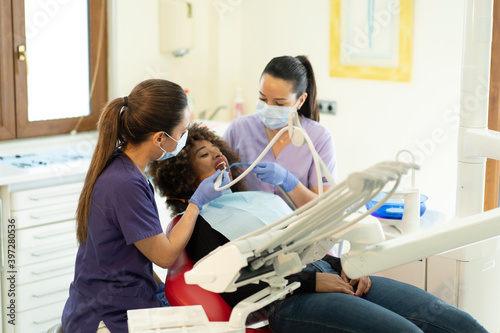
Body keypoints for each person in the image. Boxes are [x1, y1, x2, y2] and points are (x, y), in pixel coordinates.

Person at [150, 123, 488, 333]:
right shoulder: (196, 224)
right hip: (287, 301)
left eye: (216, 150)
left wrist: (348, 267)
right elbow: (236, 285)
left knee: (455, 323)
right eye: (204, 155)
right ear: (182, 174)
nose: (217, 157)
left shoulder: (256, 199)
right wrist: (313, 281)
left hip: (330, 273)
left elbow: (308, 243)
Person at [61, 79, 228, 333]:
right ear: (160, 137)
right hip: (107, 318)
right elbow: (164, 255)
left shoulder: (125, 169)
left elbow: (140, 255)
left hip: (116, 302)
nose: (184, 139)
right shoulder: (125, 183)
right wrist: (197, 203)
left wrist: (162, 293)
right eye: (182, 133)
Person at [224, 55, 337, 208]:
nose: (269, 107)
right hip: (247, 227)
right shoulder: (238, 130)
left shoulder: (319, 138)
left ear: (300, 100)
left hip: (296, 229)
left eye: (279, 103)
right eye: (263, 99)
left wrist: (288, 181)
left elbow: (323, 208)